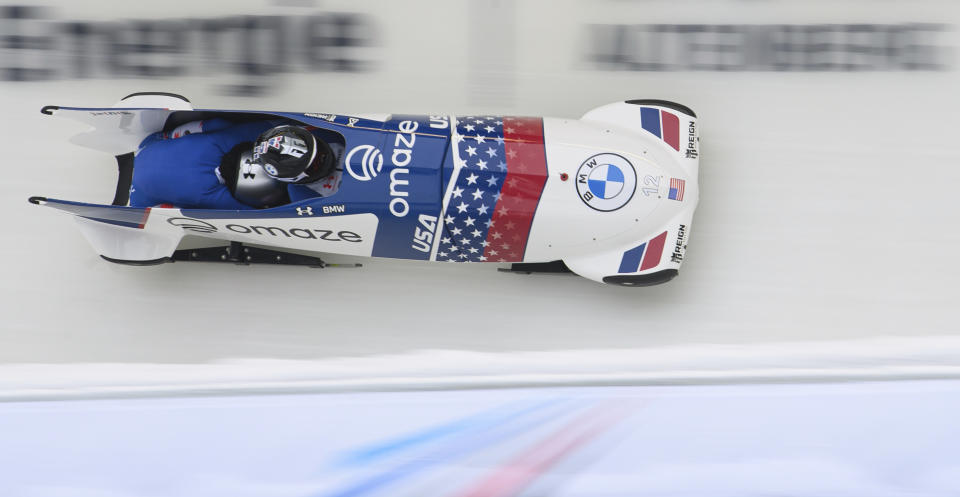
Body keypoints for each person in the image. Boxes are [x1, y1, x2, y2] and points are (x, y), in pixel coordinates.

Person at [129, 119, 343, 210]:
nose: (324, 160)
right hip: (149, 155)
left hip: (148, 153)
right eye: (315, 165)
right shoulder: (225, 141)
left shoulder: (212, 192)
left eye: (321, 152)